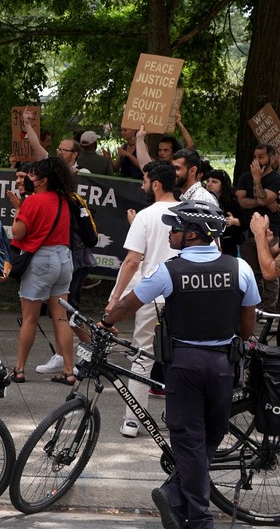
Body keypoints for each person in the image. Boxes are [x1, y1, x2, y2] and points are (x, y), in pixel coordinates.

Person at [101, 200, 257, 529]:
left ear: (193, 234)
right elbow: (248, 320)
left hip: (184, 365)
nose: (170, 232)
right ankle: (175, 494)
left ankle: (195, 517)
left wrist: (107, 319)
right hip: (222, 365)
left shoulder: (169, 270)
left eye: (176, 227)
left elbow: (128, 304)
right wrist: (237, 342)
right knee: (210, 436)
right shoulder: (240, 269)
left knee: (189, 441)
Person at [105, 160, 180, 437]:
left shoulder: (146, 217)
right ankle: (179, 418)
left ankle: (133, 420)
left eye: (145, 181)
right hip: (184, 297)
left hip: (152, 296)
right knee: (180, 358)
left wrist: (115, 299)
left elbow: (132, 261)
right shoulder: (189, 213)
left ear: (156, 184)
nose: (142, 185)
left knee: (142, 356)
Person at [9, 156, 75, 385]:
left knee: (29, 318)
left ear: (43, 180)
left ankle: (19, 369)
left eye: (34, 175)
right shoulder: (63, 200)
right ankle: (68, 370)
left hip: (41, 259)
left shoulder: (33, 201)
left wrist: (18, 211)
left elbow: (18, 233)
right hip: (64, 258)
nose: (30, 178)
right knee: (61, 317)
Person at [236, 144, 280, 313]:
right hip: (248, 233)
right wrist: (264, 202)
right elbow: (242, 201)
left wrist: (257, 180)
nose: (257, 161)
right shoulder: (244, 177)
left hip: (271, 233)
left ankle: (269, 310)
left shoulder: (275, 179)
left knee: (271, 273)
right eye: (255, 156)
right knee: (252, 274)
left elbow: (262, 198)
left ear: (272, 158)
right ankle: (254, 308)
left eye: (261, 156)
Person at [205, 169, 242, 256]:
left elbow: (244, 221)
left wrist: (233, 221)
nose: (209, 184)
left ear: (223, 185)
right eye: (207, 181)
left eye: (214, 182)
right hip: (207, 242)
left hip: (227, 244)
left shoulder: (231, 201)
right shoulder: (201, 199)